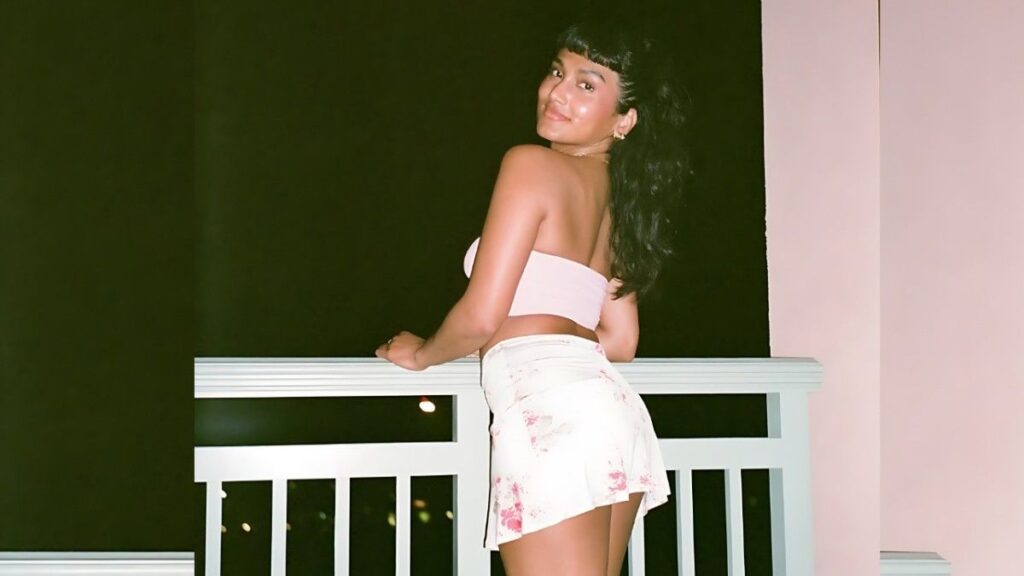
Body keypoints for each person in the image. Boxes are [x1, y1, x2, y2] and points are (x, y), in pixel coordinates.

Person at [376, 21, 687, 576]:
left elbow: (480, 314)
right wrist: (528, 336)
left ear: (626, 120)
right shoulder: (620, 204)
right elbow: (619, 340)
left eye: (587, 85)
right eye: (557, 72)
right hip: (611, 419)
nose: (558, 92)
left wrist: (422, 354)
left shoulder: (531, 164)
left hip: (554, 418)